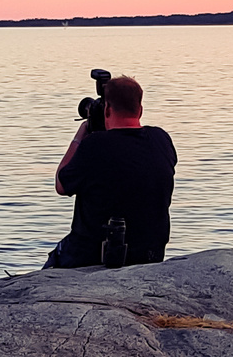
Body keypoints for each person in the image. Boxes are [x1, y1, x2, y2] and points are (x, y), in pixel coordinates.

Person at [46, 74, 177, 268]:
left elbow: (61, 184)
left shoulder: (94, 146)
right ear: (140, 110)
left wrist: (80, 135)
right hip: (149, 255)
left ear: (107, 109)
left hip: (91, 256)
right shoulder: (161, 140)